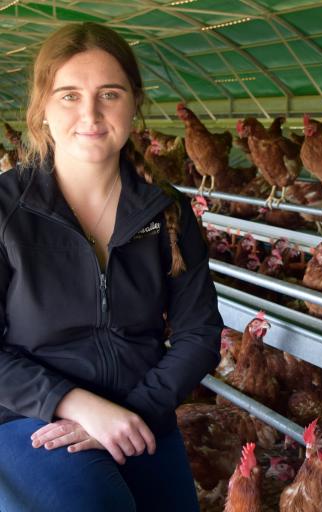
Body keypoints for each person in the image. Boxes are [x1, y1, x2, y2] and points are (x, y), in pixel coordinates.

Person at [0, 22, 223, 512]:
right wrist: (76, 404)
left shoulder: (166, 209)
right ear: (41, 108)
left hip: (139, 415)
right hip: (29, 416)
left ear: (133, 103)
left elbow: (200, 333)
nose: (91, 114)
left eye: (109, 94)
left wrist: (131, 411)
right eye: (69, 95)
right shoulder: (6, 210)